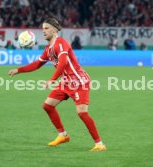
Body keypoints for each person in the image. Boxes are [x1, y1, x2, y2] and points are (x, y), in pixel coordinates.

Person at [9, 17, 106, 151]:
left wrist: (52, 80)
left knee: (82, 113)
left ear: (54, 30)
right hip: (66, 82)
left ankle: (99, 144)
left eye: (46, 28)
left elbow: (63, 62)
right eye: (43, 29)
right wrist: (18, 70)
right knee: (48, 106)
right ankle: (63, 135)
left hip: (78, 82)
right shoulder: (49, 49)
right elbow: (37, 64)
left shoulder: (61, 44)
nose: (44, 31)